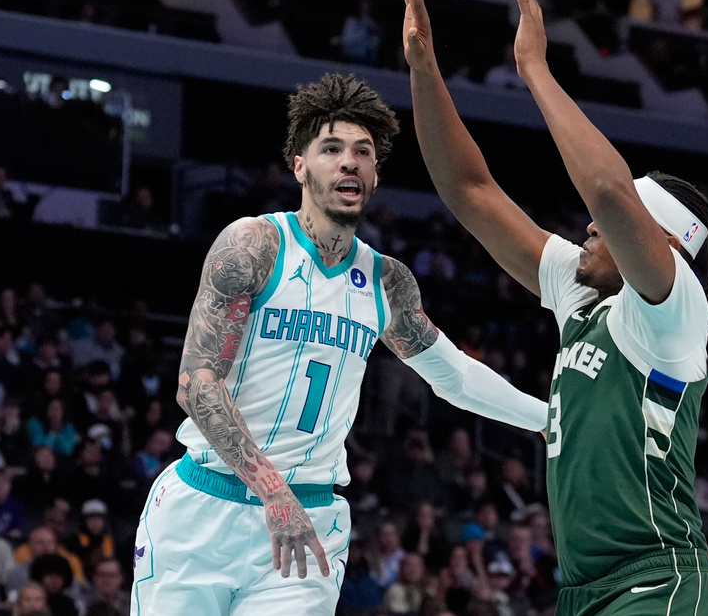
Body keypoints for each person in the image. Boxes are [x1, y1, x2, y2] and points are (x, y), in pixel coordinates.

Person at [400, 0, 708, 616]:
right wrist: (424, 70)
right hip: (583, 592)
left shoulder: (674, 310)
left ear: (663, 242)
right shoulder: (583, 294)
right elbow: (469, 190)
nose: (589, 226)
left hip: (657, 583)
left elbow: (605, 188)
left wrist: (535, 68)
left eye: (615, 225)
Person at [129, 72, 548, 615]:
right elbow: (197, 384)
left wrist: (549, 418)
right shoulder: (254, 245)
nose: (349, 161)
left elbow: (456, 376)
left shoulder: (386, 281)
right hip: (207, 505)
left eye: (363, 151)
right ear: (300, 166)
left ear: (375, 174)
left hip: (312, 521)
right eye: (331, 148)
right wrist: (271, 493)